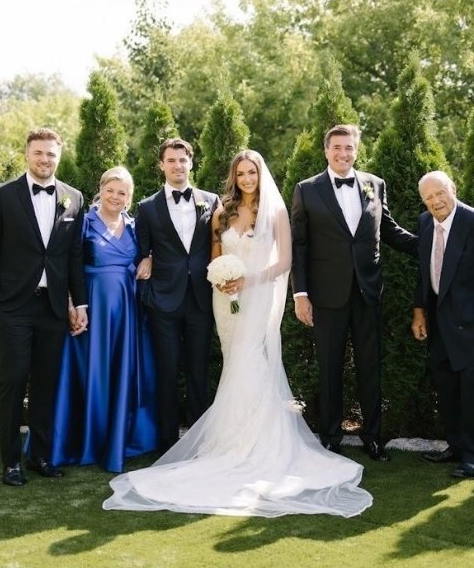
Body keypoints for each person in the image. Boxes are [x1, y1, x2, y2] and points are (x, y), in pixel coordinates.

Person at [103, 150, 372, 517]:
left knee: (255, 364)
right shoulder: (221, 209)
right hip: (224, 299)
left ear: (261, 174)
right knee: (233, 364)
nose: (247, 178)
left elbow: (286, 261)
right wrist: (223, 276)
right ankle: (228, 442)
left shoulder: (275, 211)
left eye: (252, 172)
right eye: (241, 173)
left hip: (260, 297)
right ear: (234, 176)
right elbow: (214, 252)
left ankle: (260, 444)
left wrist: (250, 279)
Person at [290, 124, 417, 461]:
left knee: (370, 368)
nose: (343, 154)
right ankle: (331, 438)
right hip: (325, 295)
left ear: (357, 150)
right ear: (326, 150)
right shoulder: (307, 189)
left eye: (349, 148)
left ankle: (372, 438)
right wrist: (300, 294)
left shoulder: (375, 185)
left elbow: (387, 229)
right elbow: (299, 246)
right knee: (330, 369)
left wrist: (430, 245)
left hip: (367, 292)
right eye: (337, 148)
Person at [0, 127, 88, 487]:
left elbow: (73, 257)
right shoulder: (2, 196)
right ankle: (10, 462)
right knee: (13, 380)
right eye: (38, 153)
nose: (45, 159)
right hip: (13, 307)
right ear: (27, 154)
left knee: (47, 384)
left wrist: (79, 303)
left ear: (59, 155)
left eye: (51, 154)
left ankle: (39, 454)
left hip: (53, 307)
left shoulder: (74, 199)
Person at [48, 167, 158, 472]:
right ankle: (87, 440)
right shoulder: (84, 222)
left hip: (126, 310)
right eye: (110, 190)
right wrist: (72, 303)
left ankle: (120, 438)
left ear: (129, 197)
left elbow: (148, 255)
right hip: (92, 308)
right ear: (101, 189)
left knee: (123, 371)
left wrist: (148, 259)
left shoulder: (135, 226)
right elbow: (69, 264)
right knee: (90, 372)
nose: (115, 197)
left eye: (122, 192)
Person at [411, 170, 474, 478]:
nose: (435, 201)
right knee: (447, 391)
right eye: (428, 197)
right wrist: (419, 311)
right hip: (440, 327)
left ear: (453, 189)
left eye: (440, 193)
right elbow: (423, 272)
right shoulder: (424, 223)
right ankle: (455, 446)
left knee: (471, 394)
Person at [133, 138, 220, 453]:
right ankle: (167, 441)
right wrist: (147, 264)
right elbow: (140, 252)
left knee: (199, 371)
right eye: (171, 160)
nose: (177, 166)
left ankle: (199, 442)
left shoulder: (212, 201)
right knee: (167, 372)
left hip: (201, 298)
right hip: (163, 301)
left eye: (182, 160)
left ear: (191, 163)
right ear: (162, 165)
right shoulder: (145, 207)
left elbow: (220, 245)